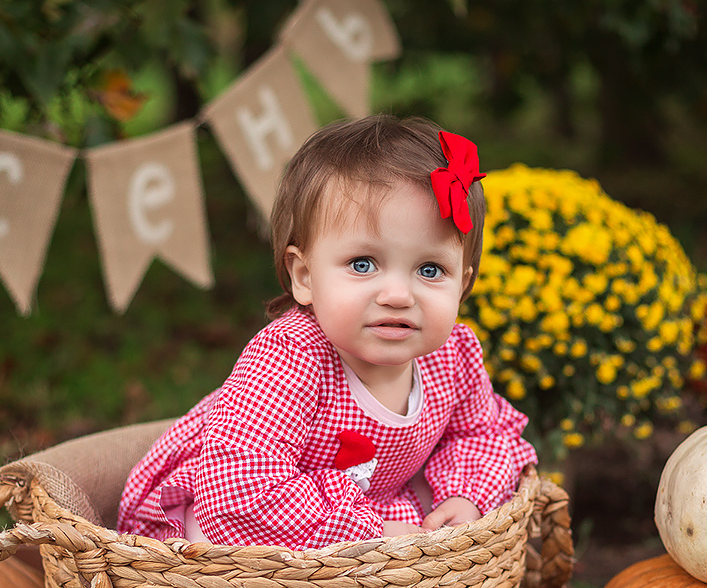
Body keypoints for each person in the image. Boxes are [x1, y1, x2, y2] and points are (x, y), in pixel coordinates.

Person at [117, 115, 537, 548]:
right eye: (363, 264)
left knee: (441, 516)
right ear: (305, 276)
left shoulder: (450, 357)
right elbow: (241, 495)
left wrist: (465, 496)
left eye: (430, 270)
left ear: (463, 283)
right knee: (209, 537)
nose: (397, 295)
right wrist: (368, 531)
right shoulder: (291, 357)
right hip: (243, 511)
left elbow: (482, 434)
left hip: (372, 506)